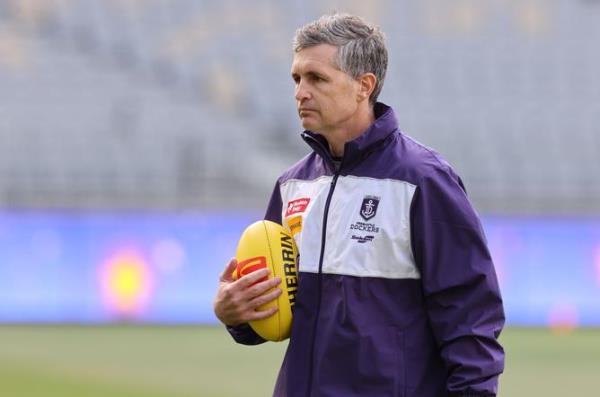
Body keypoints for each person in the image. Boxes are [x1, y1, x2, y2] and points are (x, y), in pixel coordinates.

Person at [214, 13, 505, 397]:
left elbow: (470, 317)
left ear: (364, 86)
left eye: (317, 78)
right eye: (297, 78)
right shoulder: (292, 185)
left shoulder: (424, 180)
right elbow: (276, 311)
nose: (301, 91)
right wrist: (235, 314)